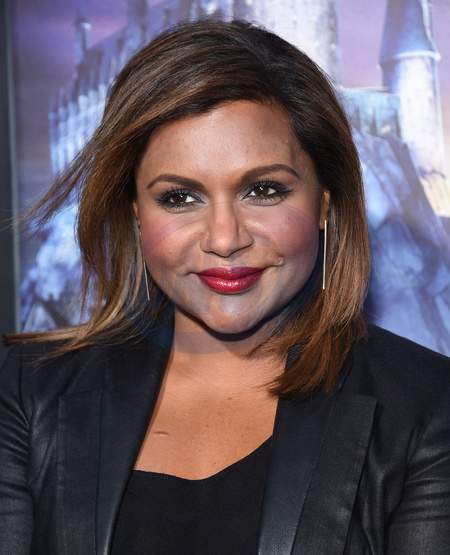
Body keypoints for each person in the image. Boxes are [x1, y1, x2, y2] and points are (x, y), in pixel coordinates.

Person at [1, 19, 450, 555]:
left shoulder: (427, 407)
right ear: (136, 214)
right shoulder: (26, 392)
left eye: (263, 190)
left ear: (325, 203)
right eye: (179, 197)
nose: (224, 238)